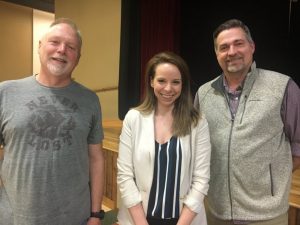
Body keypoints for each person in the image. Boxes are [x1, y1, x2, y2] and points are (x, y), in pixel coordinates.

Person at [194, 18, 300, 225]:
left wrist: (271, 177)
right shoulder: (204, 93)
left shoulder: (283, 87)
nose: (231, 51)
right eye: (223, 47)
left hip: (266, 215)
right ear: (217, 54)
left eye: (238, 43)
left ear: (252, 47)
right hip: (217, 211)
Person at [0, 18, 105, 225]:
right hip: (15, 217)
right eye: (54, 42)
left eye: (71, 47)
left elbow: (96, 159)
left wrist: (96, 214)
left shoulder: (90, 100)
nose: (62, 50)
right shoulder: (5, 93)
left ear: (78, 57)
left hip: (75, 218)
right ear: (40, 46)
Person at [117, 51, 211, 225]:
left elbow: (201, 180)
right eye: (161, 80)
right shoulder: (133, 118)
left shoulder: (197, 122)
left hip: (184, 220)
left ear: (183, 85)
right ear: (151, 81)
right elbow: (125, 176)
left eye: (175, 82)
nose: (168, 88)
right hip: (139, 219)